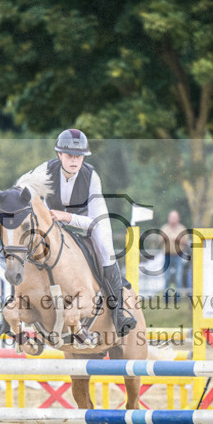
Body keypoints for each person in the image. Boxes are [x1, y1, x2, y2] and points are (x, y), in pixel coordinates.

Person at [26, 128, 137, 336]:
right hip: (54, 223)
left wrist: (67, 217)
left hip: (88, 220)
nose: (75, 161)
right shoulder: (45, 170)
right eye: (69, 155)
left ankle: (118, 313)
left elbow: (94, 221)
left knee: (105, 247)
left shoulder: (91, 176)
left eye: (79, 156)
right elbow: (23, 187)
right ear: (59, 155)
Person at [159, 210, 189, 294]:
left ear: (178, 219)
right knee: (167, 277)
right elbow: (159, 241)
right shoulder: (164, 228)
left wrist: (178, 240)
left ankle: (178, 297)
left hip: (179, 255)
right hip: (167, 255)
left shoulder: (182, 229)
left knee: (178, 277)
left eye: (175, 217)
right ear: (168, 218)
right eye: (172, 217)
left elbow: (186, 243)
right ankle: (166, 298)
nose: (173, 219)